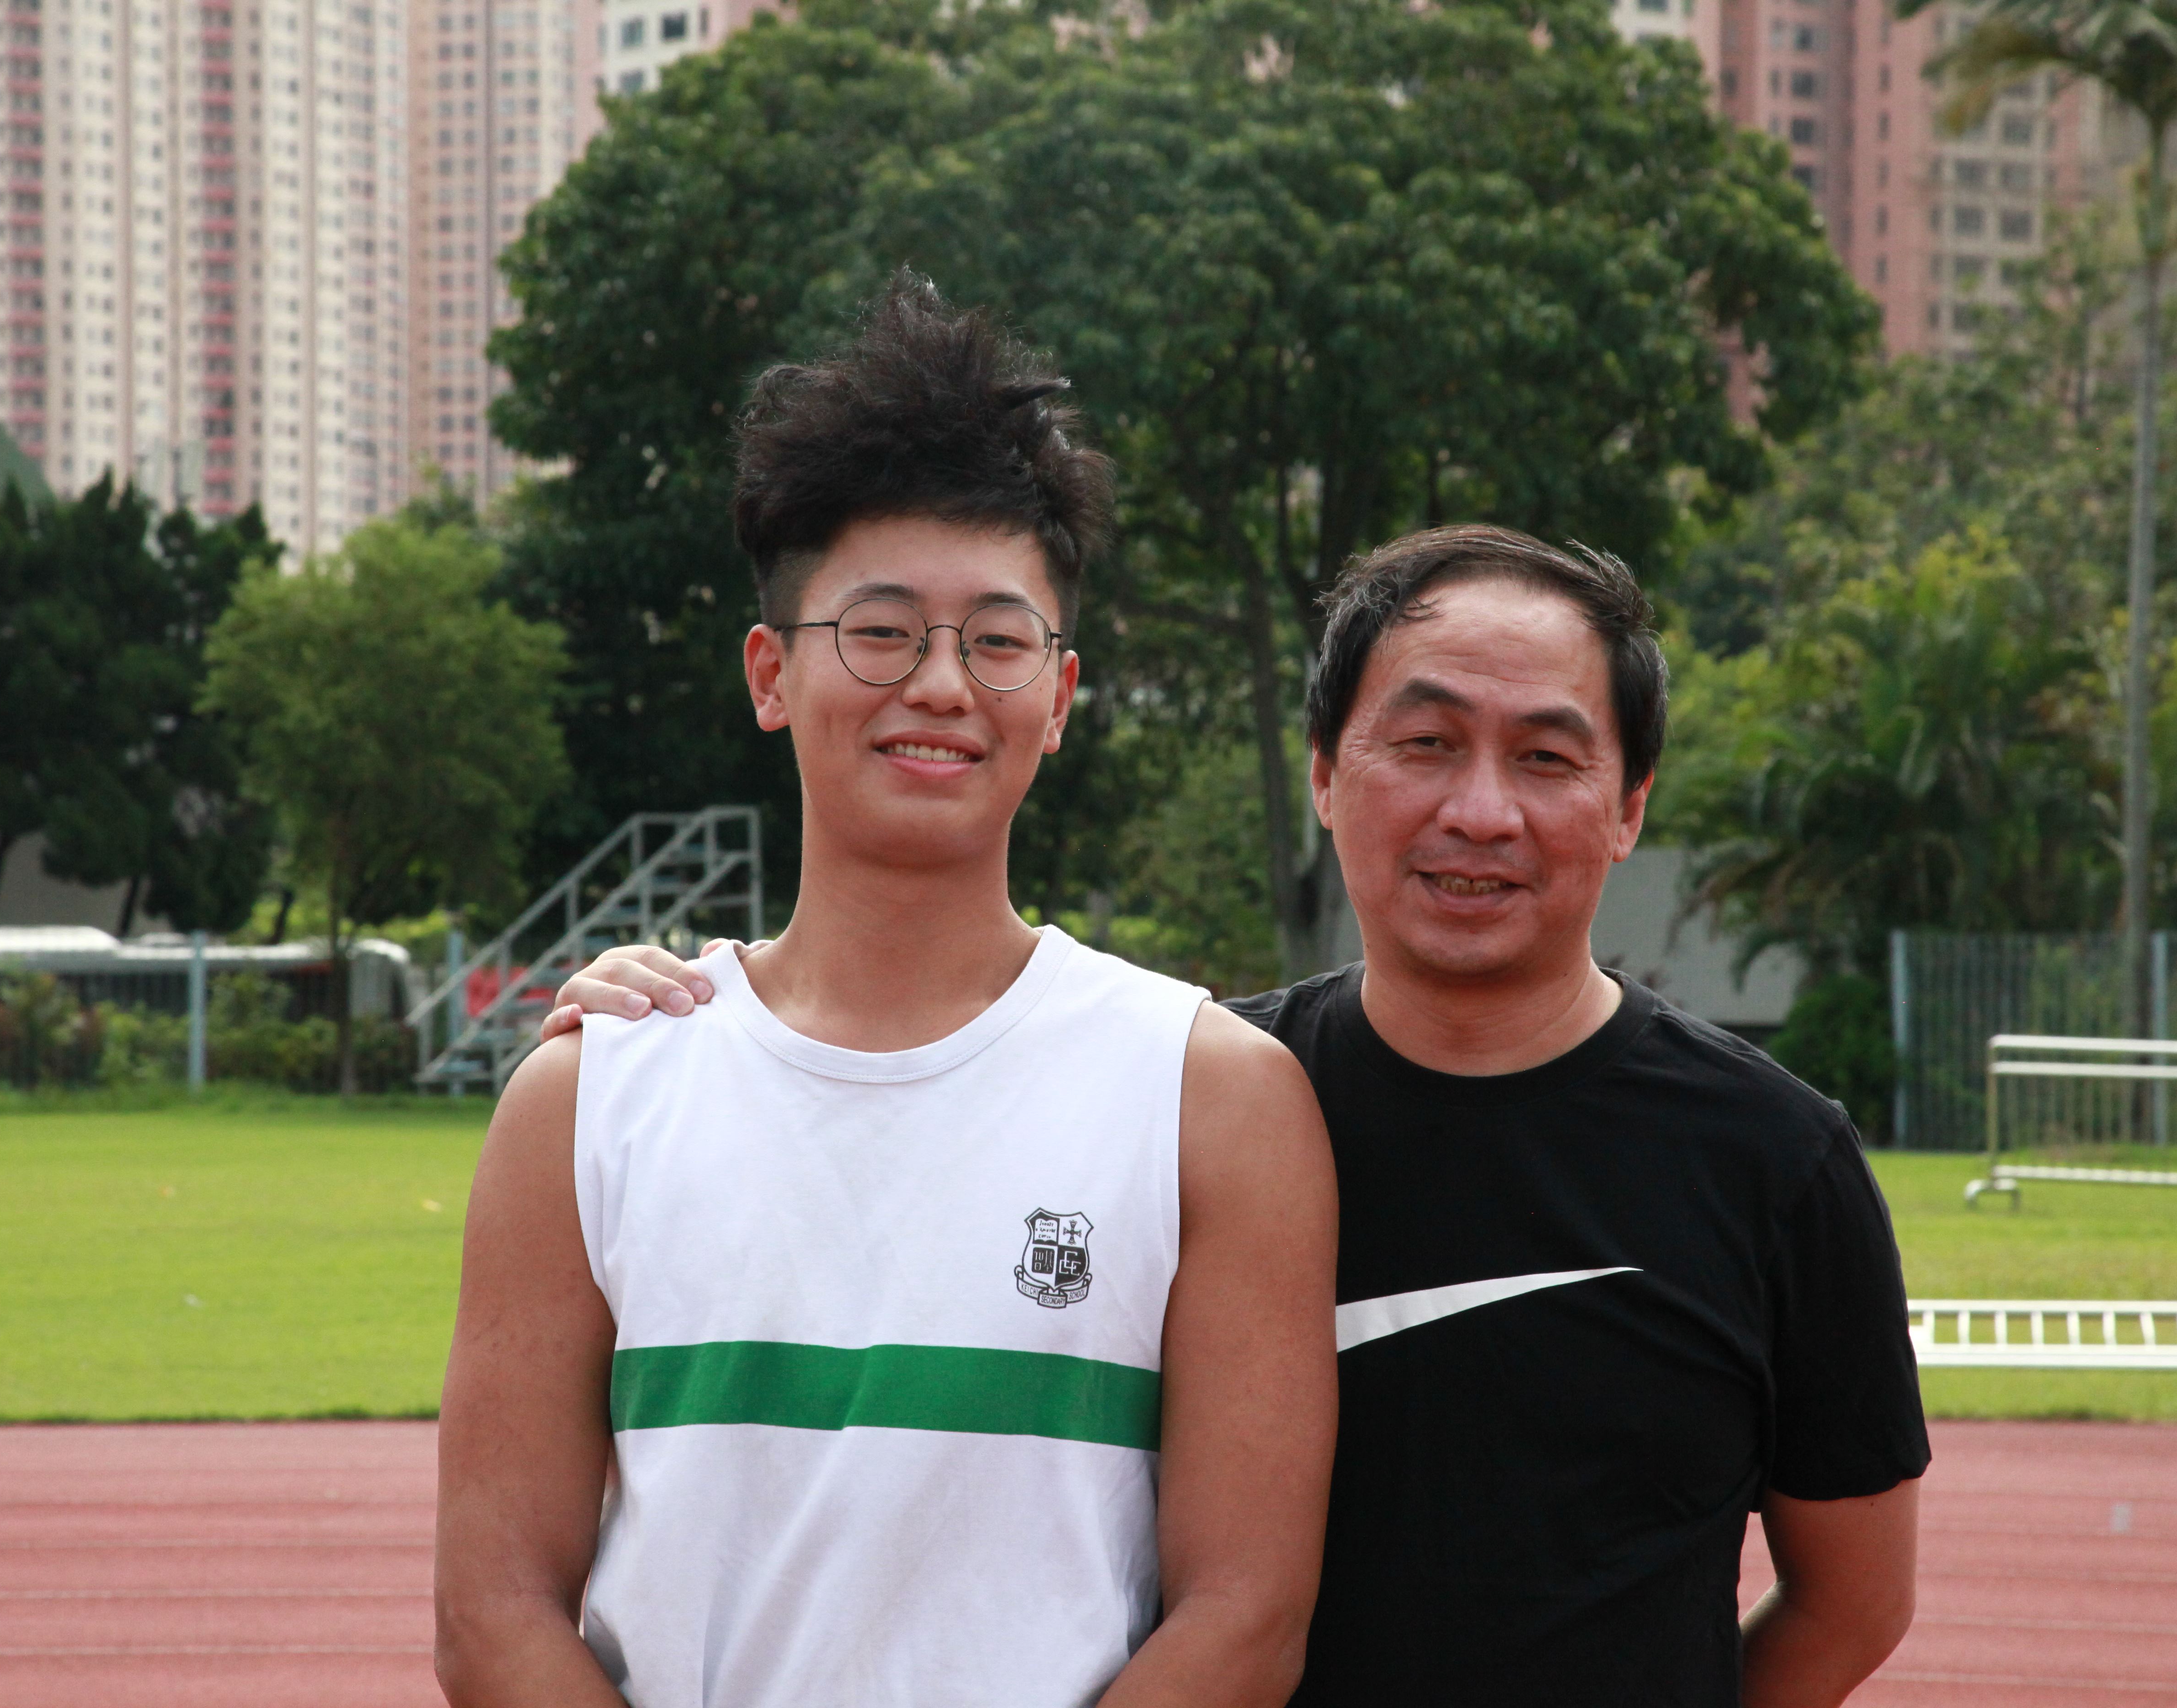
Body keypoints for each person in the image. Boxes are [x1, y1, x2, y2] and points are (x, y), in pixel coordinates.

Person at [547, 525, 1930, 1706]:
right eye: (1425, 743)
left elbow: (1854, 1601)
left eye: (1549, 759)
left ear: (1628, 807)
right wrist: (664, 1028)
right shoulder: (1183, 1100)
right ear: (1325, 773)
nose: (1481, 811)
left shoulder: (1775, 1162)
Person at [434, 277, 1339, 1708]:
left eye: (998, 639)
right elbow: (493, 1616)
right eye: (880, 630)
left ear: (1060, 695)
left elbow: (1244, 1618)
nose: (941, 685)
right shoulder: (591, 1094)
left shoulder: (1209, 1096)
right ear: (770, 675)